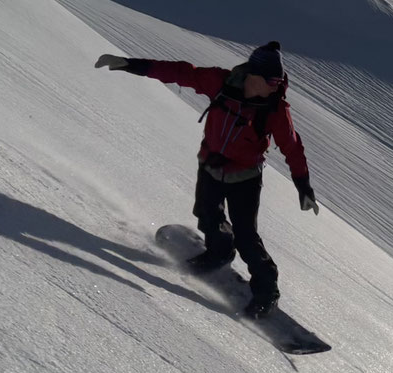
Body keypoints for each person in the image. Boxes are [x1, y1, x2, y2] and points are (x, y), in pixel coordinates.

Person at [96, 40, 316, 317]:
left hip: (245, 178)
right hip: (210, 166)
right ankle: (219, 252)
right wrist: (131, 65)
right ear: (254, 76)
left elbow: (293, 148)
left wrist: (303, 185)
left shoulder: (275, 110)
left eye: (279, 81)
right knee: (207, 215)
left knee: (246, 236)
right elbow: (180, 73)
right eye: (272, 81)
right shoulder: (221, 83)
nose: (277, 86)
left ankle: (266, 291)